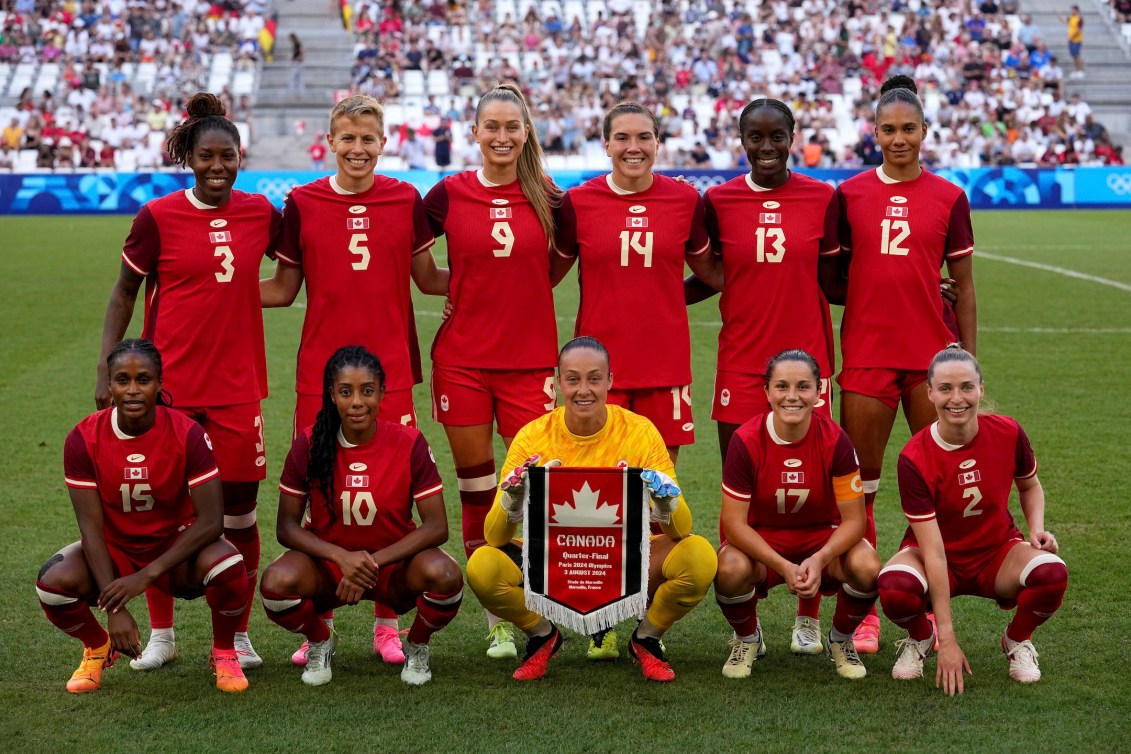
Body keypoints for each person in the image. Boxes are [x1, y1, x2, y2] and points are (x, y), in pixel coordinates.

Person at [260, 93, 448, 665]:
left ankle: (386, 623)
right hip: (321, 374)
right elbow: (282, 289)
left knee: (390, 494)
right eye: (348, 138)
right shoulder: (304, 201)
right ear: (331, 141)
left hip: (388, 373)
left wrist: (488, 283)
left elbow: (427, 278)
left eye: (369, 139)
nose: (358, 148)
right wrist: (201, 291)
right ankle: (322, 621)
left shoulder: (405, 198)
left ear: (383, 142)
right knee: (324, 490)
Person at [96, 92, 281, 671]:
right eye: (207, 156)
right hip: (167, 390)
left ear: (240, 158)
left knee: (240, 514)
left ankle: (240, 634)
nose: (218, 166)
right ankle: (163, 634)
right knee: (161, 513)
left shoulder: (261, 213)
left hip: (237, 387)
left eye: (228, 156)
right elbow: (125, 292)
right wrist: (108, 370)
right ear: (190, 158)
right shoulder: (157, 217)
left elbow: (298, 265)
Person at [465, 337, 718, 682]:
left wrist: (665, 500)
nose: (584, 390)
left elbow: (680, 529)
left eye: (594, 379)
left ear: (610, 381)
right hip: (553, 560)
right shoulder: (532, 436)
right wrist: (512, 498)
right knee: (482, 566)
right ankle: (542, 635)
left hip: (626, 559)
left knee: (699, 557)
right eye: (572, 379)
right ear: (557, 384)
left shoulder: (640, 432)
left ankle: (647, 639)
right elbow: (494, 536)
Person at [686, 98, 842, 654]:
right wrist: (658, 297)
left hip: (807, 371)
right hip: (742, 366)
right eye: (756, 137)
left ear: (794, 136)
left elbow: (838, 277)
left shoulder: (824, 198)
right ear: (742, 141)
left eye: (778, 136)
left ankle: (807, 615)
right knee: (744, 498)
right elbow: (717, 275)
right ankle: (746, 632)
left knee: (817, 496)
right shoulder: (718, 200)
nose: (768, 147)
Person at [835, 75, 977, 654]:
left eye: (908, 129)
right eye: (889, 129)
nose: (899, 138)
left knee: (936, 486)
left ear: (925, 132)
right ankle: (865, 606)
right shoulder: (848, 196)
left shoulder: (949, 197)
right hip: (867, 354)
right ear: (874, 133)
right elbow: (832, 277)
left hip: (931, 360)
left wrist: (965, 358)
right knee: (858, 490)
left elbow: (965, 287)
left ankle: (908, 583)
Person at [422, 83, 562, 661]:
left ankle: (545, 601)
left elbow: (556, 268)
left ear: (526, 132)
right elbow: (417, 264)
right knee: (479, 486)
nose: (502, 136)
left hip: (531, 362)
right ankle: (497, 614)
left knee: (535, 486)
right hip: (463, 363)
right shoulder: (446, 194)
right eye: (491, 127)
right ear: (474, 132)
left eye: (512, 126)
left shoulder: (551, 198)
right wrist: (448, 289)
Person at [39, 339, 252, 693]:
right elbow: (90, 529)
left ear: (160, 383)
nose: (133, 390)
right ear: (109, 385)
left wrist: (146, 575)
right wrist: (114, 609)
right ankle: (97, 648)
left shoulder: (188, 434)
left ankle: (224, 653)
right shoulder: (83, 437)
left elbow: (212, 521)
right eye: (123, 380)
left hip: (176, 551)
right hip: (118, 550)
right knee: (52, 583)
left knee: (229, 567)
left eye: (144, 379)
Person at [260, 346, 463, 686]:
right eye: (345, 391)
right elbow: (286, 527)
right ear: (331, 394)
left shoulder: (408, 442)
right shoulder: (310, 443)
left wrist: (370, 563)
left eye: (367, 391)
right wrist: (342, 558)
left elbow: (437, 526)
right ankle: (320, 640)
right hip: (330, 571)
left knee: (445, 575)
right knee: (276, 584)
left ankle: (417, 644)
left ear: (382, 392)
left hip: (394, 569)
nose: (357, 402)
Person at [878, 347, 1067, 694]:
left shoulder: (1008, 432)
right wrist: (946, 639)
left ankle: (1016, 640)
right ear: (930, 393)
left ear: (981, 388)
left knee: (1051, 573)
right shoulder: (914, 457)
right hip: (937, 557)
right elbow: (933, 552)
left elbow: (1030, 485)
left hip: (997, 554)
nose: (957, 398)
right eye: (946, 388)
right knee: (893, 587)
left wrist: (1037, 528)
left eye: (966, 387)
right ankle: (921, 638)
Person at [553, 102, 723, 468]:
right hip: (597, 370)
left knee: (657, 492)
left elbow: (714, 273)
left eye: (644, 137)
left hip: (665, 366)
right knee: (599, 489)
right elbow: (545, 277)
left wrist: (669, 300)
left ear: (658, 143)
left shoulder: (684, 199)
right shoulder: (578, 203)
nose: (634, 147)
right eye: (622, 138)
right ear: (606, 144)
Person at [714, 350, 878, 680]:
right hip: (764, 543)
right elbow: (733, 523)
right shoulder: (745, 440)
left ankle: (841, 639)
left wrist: (819, 559)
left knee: (867, 565)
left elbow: (855, 521)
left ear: (819, 392)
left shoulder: (836, 441)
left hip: (820, 540)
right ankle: (748, 639)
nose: (792, 396)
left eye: (803, 386)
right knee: (728, 567)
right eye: (782, 386)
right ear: (767, 391)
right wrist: (783, 566)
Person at [1058, 5, 1085, 79]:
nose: (1072, 11)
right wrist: (1058, 14)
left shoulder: (1079, 19)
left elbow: (1079, 30)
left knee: (1077, 55)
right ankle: (1077, 70)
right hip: (1071, 40)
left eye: (1073, 10)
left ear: (1077, 10)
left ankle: (1080, 70)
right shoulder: (1071, 18)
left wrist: (1071, 37)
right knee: (1073, 56)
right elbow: (1064, 21)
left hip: (1076, 40)